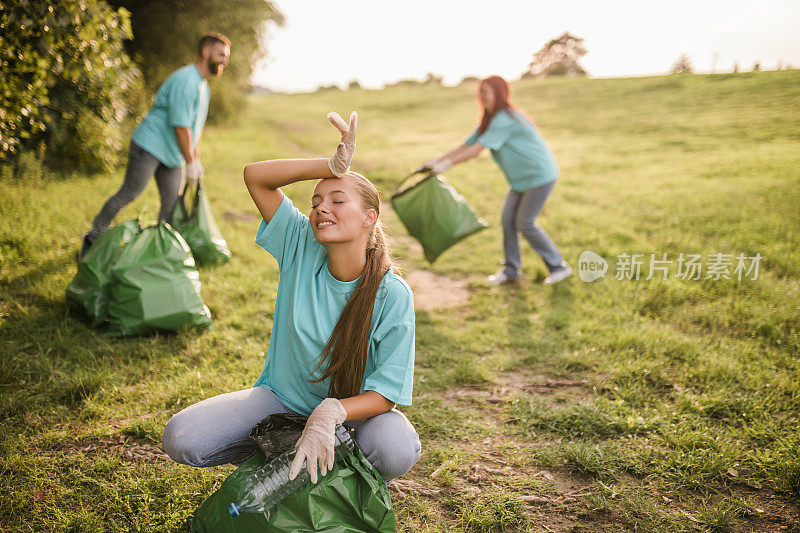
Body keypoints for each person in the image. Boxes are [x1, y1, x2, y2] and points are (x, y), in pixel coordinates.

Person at [162, 111, 421, 486]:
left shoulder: (391, 294)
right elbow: (256, 177)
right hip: (280, 403)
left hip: (351, 418)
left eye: (336, 199)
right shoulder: (299, 244)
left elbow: (386, 394)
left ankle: (335, 466)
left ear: (369, 218)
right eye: (316, 201)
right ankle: (282, 448)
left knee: (393, 445)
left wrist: (332, 411)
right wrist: (329, 164)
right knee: (182, 438)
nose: (320, 208)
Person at [78, 33, 231, 259]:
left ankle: (159, 253)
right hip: (150, 145)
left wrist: (195, 159)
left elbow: (194, 129)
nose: (225, 60)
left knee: (171, 205)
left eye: (226, 56)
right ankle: (93, 238)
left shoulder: (204, 87)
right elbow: (180, 127)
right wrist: (189, 161)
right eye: (221, 54)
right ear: (206, 53)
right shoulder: (186, 80)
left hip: (173, 155)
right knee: (130, 192)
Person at [421, 75, 572, 285]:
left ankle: (558, 267)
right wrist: (436, 161)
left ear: (499, 94)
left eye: (487, 92)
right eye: (481, 92)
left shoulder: (504, 119)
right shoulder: (490, 120)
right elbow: (466, 145)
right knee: (508, 219)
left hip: (539, 176)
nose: (482, 97)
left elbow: (476, 151)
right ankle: (511, 270)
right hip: (520, 180)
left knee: (525, 222)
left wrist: (447, 165)